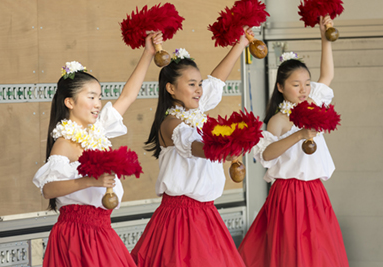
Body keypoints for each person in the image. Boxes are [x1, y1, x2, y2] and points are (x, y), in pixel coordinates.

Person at [32, 32, 163, 267]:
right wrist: (91, 181)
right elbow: (48, 189)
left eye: (99, 97)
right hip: (76, 235)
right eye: (91, 97)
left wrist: (148, 53)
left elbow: (128, 96)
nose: (98, 104)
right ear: (70, 102)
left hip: (101, 230)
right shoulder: (65, 142)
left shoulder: (98, 132)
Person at [130, 28, 254, 267]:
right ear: (171, 89)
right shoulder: (171, 123)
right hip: (181, 218)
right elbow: (197, 147)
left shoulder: (196, 113)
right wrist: (225, 148)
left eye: (199, 83)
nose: (199, 89)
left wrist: (239, 43)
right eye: (192, 84)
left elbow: (217, 80)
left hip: (206, 215)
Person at [238, 16, 349, 267]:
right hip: (289, 193)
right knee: (293, 252)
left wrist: (324, 37)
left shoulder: (314, 106)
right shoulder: (278, 119)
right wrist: (299, 134)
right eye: (296, 85)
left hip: (315, 192)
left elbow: (328, 75)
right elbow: (266, 155)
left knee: (320, 253)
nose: (304, 90)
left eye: (307, 84)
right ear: (280, 87)